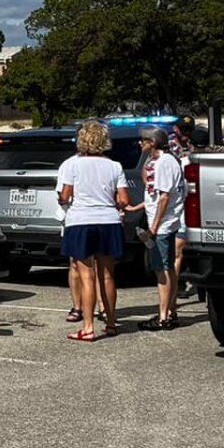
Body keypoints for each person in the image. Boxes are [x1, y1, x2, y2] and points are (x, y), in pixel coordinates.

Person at [57, 120, 130, 343]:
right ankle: (110, 321)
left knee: (86, 275)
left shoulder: (73, 165)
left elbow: (66, 196)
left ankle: (88, 327)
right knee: (107, 274)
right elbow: (124, 200)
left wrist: (62, 198)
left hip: (81, 220)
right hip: (108, 221)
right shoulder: (115, 166)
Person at [129, 127, 186, 330]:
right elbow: (151, 187)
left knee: (162, 270)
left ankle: (164, 316)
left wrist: (153, 227)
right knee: (166, 268)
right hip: (161, 222)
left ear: (152, 142)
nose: (139, 143)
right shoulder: (157, 161)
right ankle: (170, 311)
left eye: (143, 140)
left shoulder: (165, 163)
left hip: (163, 225)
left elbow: (164, 197)